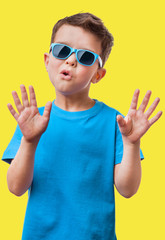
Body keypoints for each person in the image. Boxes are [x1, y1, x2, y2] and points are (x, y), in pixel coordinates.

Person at [1, 12, 162, 240]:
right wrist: (28, 141)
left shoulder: (116, 122)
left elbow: (127, 190)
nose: (71, 60)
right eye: (62, 50)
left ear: (98, 74)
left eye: (85, 56)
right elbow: (16, 187)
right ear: (47, 61)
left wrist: (132, 143)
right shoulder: (31, 122)